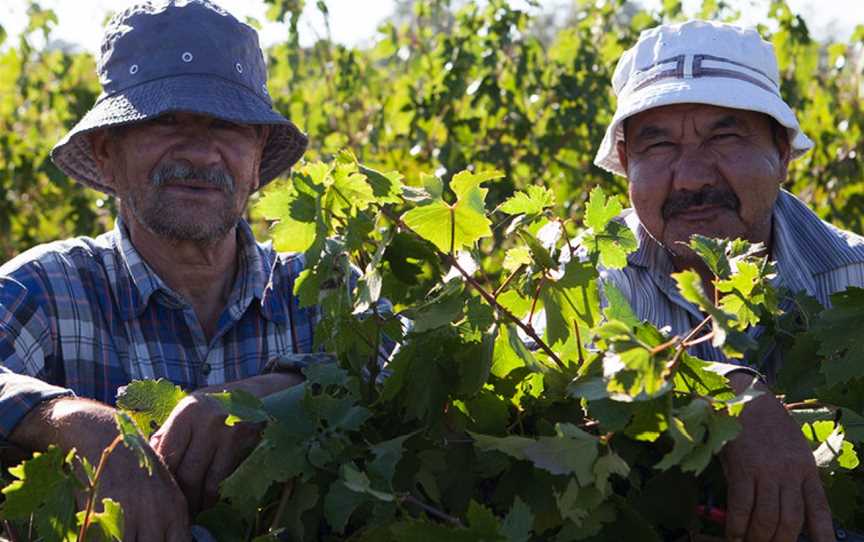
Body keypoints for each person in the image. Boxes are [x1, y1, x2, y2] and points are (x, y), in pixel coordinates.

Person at [0, 1, 315, 539]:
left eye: (226, 124)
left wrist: (274, 394)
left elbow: (397, 382)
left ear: (258, 155)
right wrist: (73, 423)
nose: (200, 152)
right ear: (106, 152)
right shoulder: (46, 290)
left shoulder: (318, 292)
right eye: (166, 120)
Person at [593, 20, 864, 542]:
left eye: (725, 134)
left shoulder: (856, 281)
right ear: (626, 163)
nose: (692, 177)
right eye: (659, 145)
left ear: (781, 152)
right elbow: (568, 379)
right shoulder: (586, 282)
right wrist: (726, 391)